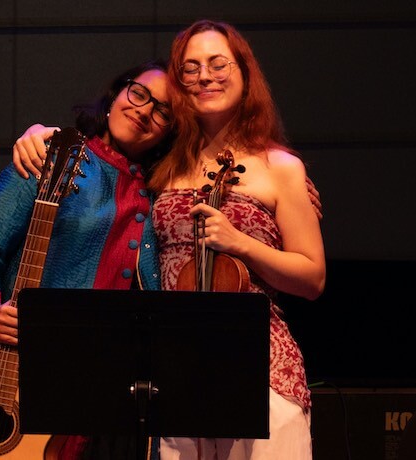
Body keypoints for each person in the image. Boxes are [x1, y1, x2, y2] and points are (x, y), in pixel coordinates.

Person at [0, 59, 174, 459]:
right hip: (34, 381)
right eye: (138, 93)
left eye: (163, 111)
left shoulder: (167, 194)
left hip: (119, 403)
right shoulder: (50, 156)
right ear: (114, 96)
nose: (144, 110)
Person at [145, 19, 326, 459]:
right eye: (190, 68)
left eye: (218, 63)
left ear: (244, 73)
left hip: (260, 366)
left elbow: (312, 276)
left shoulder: (279, 166)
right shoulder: (161, 165)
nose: (204, 76)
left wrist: (240, 243)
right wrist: (40, 133)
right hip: (177, 371)